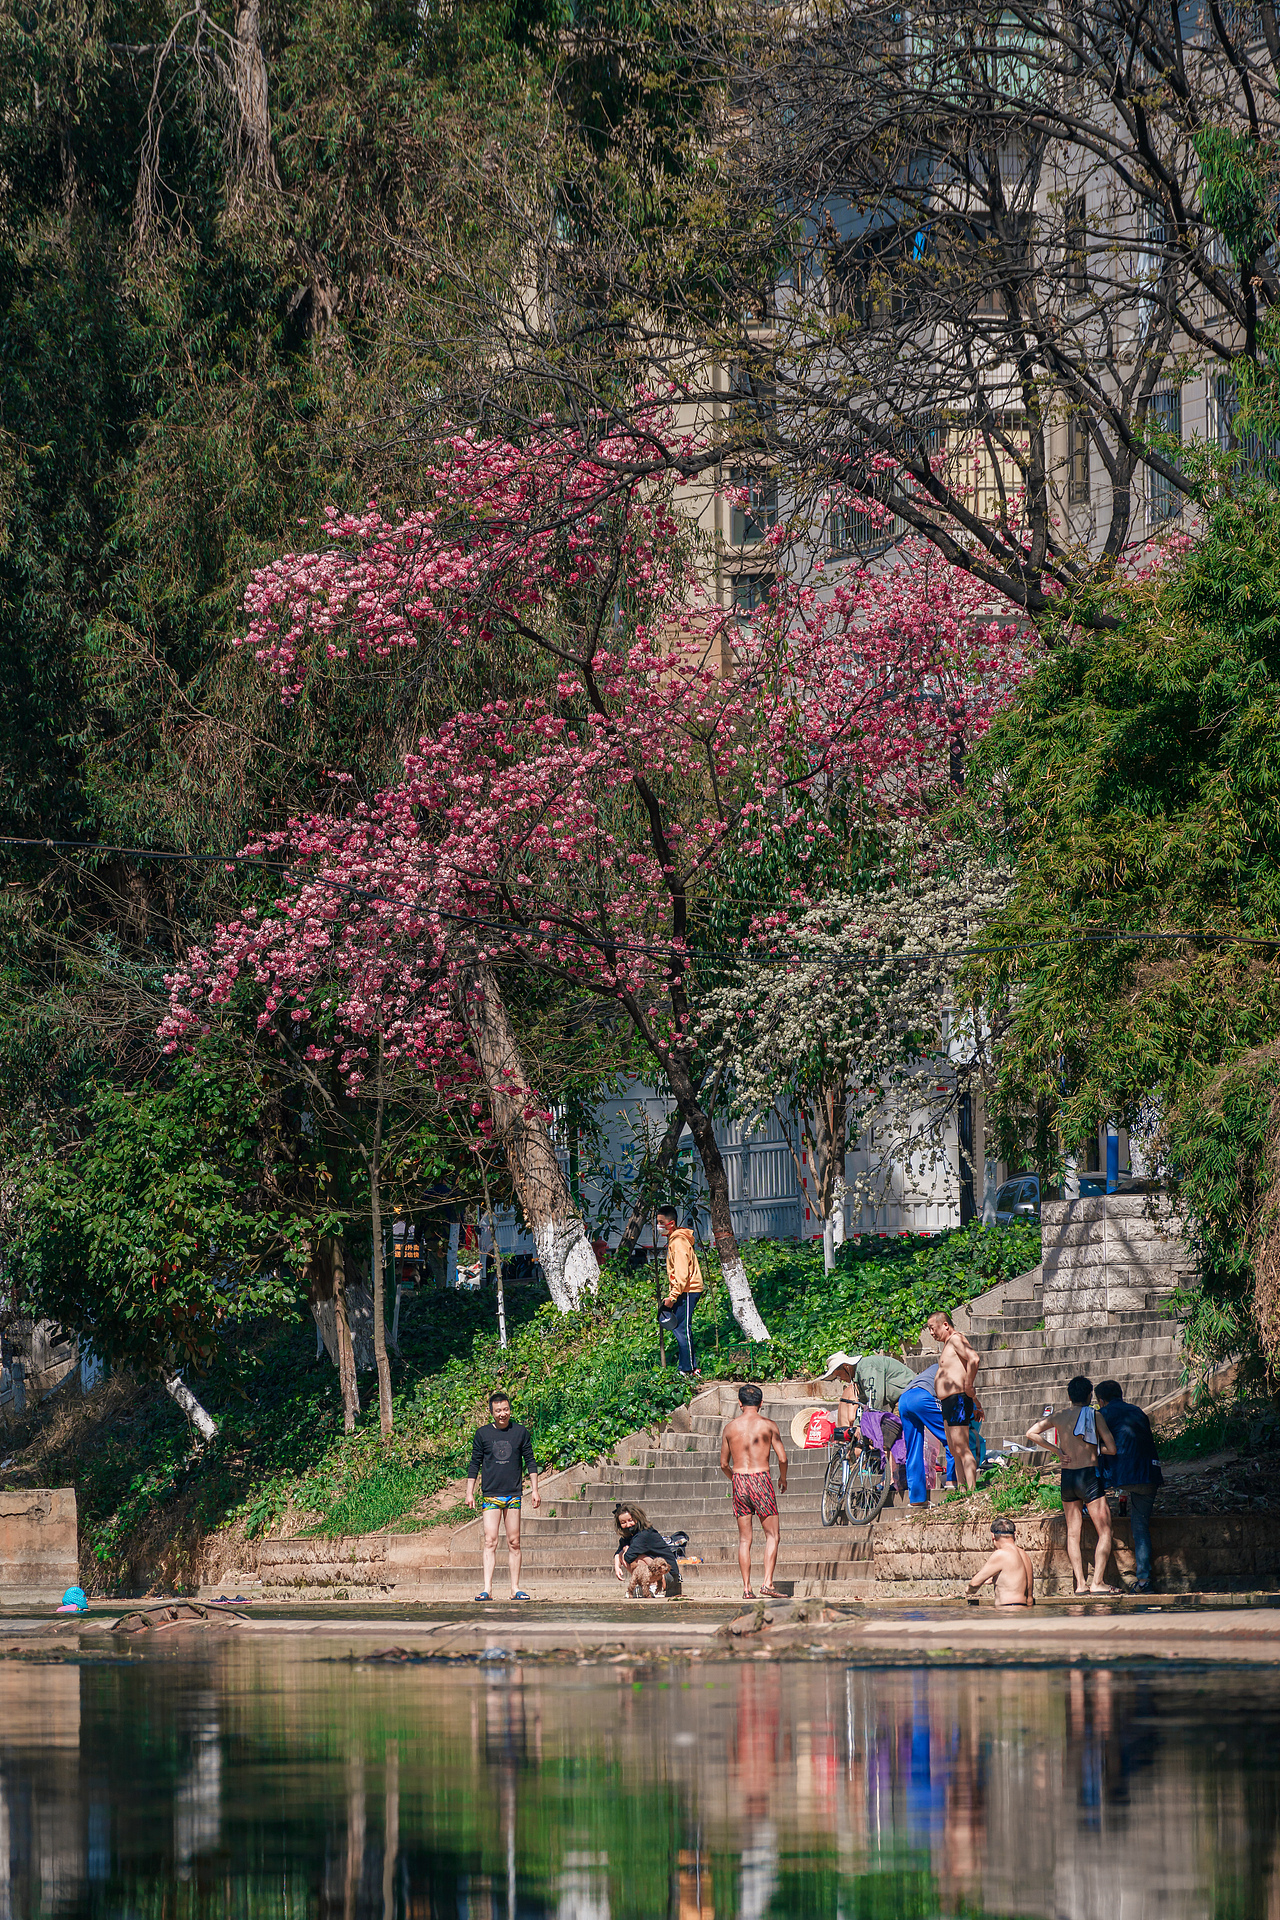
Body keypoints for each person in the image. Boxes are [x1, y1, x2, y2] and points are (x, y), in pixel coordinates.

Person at [1026, 1376, 1119, 1595]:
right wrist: (1094, 1449)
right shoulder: (1094, 1415)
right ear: (1089, 1395)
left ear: (1069, 1396)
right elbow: (1112, 1448)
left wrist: (1057, 1451)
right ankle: (1098, 1583)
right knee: (1105, 1530)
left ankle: (1080, 1585)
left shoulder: (1059, 1416)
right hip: (1088, 1475)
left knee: (1072, 1534)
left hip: (1068, 1477)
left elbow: (1031, 1433)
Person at [465, 1391, 541, 1601]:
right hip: (490, 1495)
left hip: (513, 1494)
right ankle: (487, 1589)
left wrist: (534, 1489)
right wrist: (469, 1492)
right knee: (490, 1541)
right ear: (491, 1412)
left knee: (514, 1542)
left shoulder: (520, 1432)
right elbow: (475, 1464)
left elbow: (530, 1461)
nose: (502, 1414)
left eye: (505, 1409)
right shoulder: (482, 1434)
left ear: (510, 1409)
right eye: (498, 1410)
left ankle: (515, 1588)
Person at [719, 1385, 788, 1600]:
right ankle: (767, 1583)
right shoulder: (768, 1426)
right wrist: (782, 1478)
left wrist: (737, 1481)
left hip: (739, 1480)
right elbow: (783, 1458)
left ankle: (747, 1588)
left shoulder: (730, 1428)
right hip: (761, 1479)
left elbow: (723, 1464)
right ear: (761, 1403)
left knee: (744, 1540)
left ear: (740, 1403)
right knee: (772, 1535)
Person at [1095, 1378, 1164, 1593]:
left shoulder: (1103, 1414)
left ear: (1101, 1400)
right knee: (1140, 1527)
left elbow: (1094, 1446)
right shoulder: (1138, 1411)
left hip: (1120, 1474)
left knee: (1093, 1466)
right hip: (1149, 1473)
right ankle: (1144, 1580)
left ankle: (1086, 1507)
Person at [929, 1311, 982, 1493]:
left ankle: (972, 1490)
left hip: (957, 1399)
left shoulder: (956, 1339)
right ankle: (962, 1490)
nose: (931, 1333)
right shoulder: (947, 1344)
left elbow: (974, 1358)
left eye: (932, 1328)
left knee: (962, 1447)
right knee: (954, 1449)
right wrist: (976, 1402)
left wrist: (969, 1385)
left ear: (945, 1325)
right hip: (949, 1402)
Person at [896, 1360, 955, 1507]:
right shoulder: (953, 1369)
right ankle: (952, 1481)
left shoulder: (933, 1368)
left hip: (904, 1399)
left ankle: (917, 1499)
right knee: (952, 1437)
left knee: (913, 1450)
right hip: (923, 1396)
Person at [656, 1205, 704, 1377]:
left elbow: (682, 1275)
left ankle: (688, 1369)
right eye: (657, 1222)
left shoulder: (678, 1243)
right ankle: (690, 1366)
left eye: (661, 1222)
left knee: (682, 1328)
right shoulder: (675, 1240)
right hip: (685, 1290)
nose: (658, 1226)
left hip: (687, 1290)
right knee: (682, 1327)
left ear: (672, 1223)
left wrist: (673, 1297)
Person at [612, 1503, 683, 1598]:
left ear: (637, 1518)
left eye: (630, 1520)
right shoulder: (630, 1535)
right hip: (660, 1574)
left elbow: (628, 1557)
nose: (628, 1525)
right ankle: (646, 1585)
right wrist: (617, 1564)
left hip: (668, 1576)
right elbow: (619, 1551)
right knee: (622, 1555)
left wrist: (624, 1550)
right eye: (623, 1522)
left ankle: (654, 1586)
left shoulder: (644, 1534)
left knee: (637, 1557)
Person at [823, 1351, 915, 1423]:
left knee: (890, 1430)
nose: (841, 1379)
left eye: (839, 1376)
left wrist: (865, 1425)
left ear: (846, 1367)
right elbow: (863, 1402)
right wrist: (858, 1425)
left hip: (910, 1393)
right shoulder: (858, 1376)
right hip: (900, 1398)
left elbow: (875, 1400)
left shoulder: (866, 1368)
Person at [965, 1517, 1036, 1607]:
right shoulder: (1024, 1555)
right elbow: (1029, 1597)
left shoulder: (1001, 1554)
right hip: (1024, 1610)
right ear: (1014, 1535)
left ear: (992, 1536)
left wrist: (968, 1590)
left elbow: (974, 1583)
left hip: (1008, 1611)